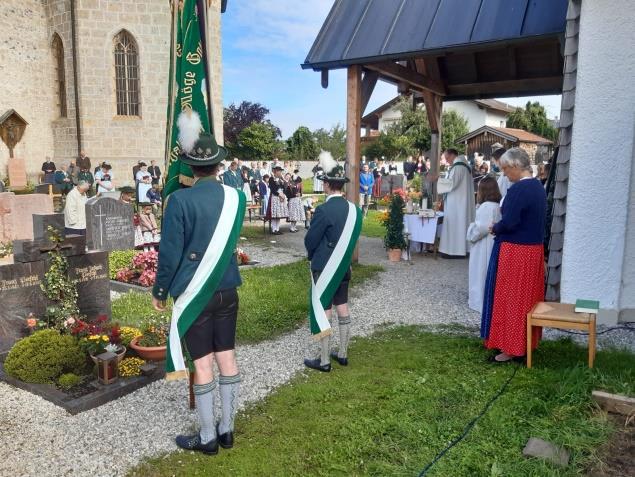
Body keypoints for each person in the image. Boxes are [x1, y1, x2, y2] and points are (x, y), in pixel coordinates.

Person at [152, 119, 244, 455]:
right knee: (227, 358)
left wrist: (160, 291)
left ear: (191, 167)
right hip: (227, 288)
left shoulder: (179, 201)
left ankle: (207, 437)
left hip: (195, 292)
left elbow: (169, 254)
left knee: (203, 364)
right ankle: (227, 430)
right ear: (219, 164)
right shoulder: (237, 197)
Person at [481, 148, 547, 362]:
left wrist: (496, 227)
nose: (505, 173)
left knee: (512, 300)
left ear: (517, 166)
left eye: (506, 169)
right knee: (527, 300)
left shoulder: (519, 189)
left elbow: (510, 222)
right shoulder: (538, 187)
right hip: (533, 250)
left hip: (517, 251)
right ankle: (525, 343)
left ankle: (510, 347)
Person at [304, 151, 362, 372]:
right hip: (343, 266)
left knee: (324, 309)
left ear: (327, 185)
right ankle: (343, 353)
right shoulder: (355, 210)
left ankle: (324, 360)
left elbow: (310, 240)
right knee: (343, 305)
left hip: (325, 267)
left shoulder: (324, 210)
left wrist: (312, 255)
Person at [467, 177, 501, 312]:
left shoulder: (486, 207)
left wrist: (470, 231)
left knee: (481, 272)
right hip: (492, 242)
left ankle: (479, 301)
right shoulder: (497, 205)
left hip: (483, 245)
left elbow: (481, 228)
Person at [438, 149, 475, 258]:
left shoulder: (459, 167)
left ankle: (455, 251)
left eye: (447, 158)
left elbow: (452, 183)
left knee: (456, 225)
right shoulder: (464, 165)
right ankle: (460, 250)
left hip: (457, 204)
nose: (447, 161)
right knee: (460, 224)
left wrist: (438, 180)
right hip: (460, 201)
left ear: (452, 155)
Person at [267, 165, 288, 235]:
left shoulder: (281, 179)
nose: (280, 173)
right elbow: (272, 189)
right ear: (276, 172)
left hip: (281, 197)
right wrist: (279, 194)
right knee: (275, 215)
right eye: (280, 171)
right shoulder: (271, 179)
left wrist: (283, 195)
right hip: (275, 197)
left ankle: (277, 229)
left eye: (281, 171)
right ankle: (274, 229)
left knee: (278, 214)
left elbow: (284, 188)